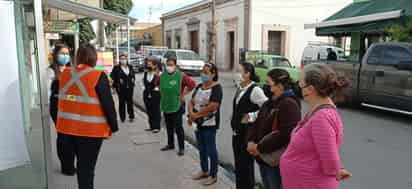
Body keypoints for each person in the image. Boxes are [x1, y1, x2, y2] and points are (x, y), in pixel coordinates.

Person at [280, 63, 352, 189]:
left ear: (310, 89)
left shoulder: (321, 117)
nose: (298, 86)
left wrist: (336, 170)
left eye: (300, 82)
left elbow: (331, 162)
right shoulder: (317, 111)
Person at [56, 44, 118, 189]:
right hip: (90, 132)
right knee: (86, 170)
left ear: (77, 57)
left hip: (66, 130)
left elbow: (63, 99)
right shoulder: (98, 75)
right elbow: (108, 104)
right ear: (94, 58)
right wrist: (113, 126)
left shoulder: (64, 74)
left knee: (81, 168)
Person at [247, 69, 301, 189]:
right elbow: (256, 122)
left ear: (279, 86)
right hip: (263, 157)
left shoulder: (289, 104)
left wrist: (259, 148)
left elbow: (286, 134)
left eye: (268, 83)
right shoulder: (269, 102)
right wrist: (250, 141)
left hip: (274, 160)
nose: (265, 86)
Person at [231, 62, 268, 189]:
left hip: (247, 135)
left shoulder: (255, 90)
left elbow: (267, 108)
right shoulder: (240, 87)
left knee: (246, 167)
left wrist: (251, 116)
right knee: (239, 167)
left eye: (239, 70)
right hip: (237, 133)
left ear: (247, 74)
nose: (236, 73)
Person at [188, 63, 223, 186]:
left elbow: (213, 106)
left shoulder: (217, 88)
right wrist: (191, 114)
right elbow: (191, 101)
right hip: (198, 123)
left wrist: (196, 115)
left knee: (210, 149)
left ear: (213, 74)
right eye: (203, 71)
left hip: (209, 124)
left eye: (206, 72)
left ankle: (213, 175)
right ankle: (204, 170)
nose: (203, 74)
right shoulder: (199, 86)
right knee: (201, 148)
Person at [48, 43, 76, 176]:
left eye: (67, 54)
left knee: (72, 137)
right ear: (56, 55)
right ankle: (66, 165)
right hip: (57, 109)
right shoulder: (50, 71)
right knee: (63, 137)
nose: (65, 56)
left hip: (71, 108)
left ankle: (71, 163)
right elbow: (48, 93)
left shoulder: (72, 70)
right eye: (62, 53)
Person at [160, 56, 196, 156]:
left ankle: (181, 148)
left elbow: (192, 84)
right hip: (166, 104)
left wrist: (183, 94)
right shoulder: (162, 75)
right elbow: (158, 84)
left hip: (177, 105)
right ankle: (170, 144)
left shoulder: (181, 76)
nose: (169, 67)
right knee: (169, 126)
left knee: (178, 127)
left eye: (171, 65)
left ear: (176, 66)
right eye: (168, 64)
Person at [110, 54, 136, 123]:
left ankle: (131, 116)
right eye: (121, 59)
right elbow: (112, 77)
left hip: (130, 88)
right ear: (120, 60)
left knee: (130, 102)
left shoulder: (130, 67)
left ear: (126, 59)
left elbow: (133, 74)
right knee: (122, 103)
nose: (123, 60)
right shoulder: (116, 68)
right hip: (121, 88)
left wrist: (133, 80)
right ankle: (122, 117)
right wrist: (113, 87)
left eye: (124, 58)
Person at [143, 57, 162, 133]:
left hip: (156, 94)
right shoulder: (146, 73)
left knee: (156, 110)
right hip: (147, 94)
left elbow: (162, 84)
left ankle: (157, 126)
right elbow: (144, 82)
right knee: (149, 110)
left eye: (150, 64)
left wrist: (158, 88)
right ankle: (151, 126)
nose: (148, 66)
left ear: (155, 65)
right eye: (147, 64)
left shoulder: (159, 74)